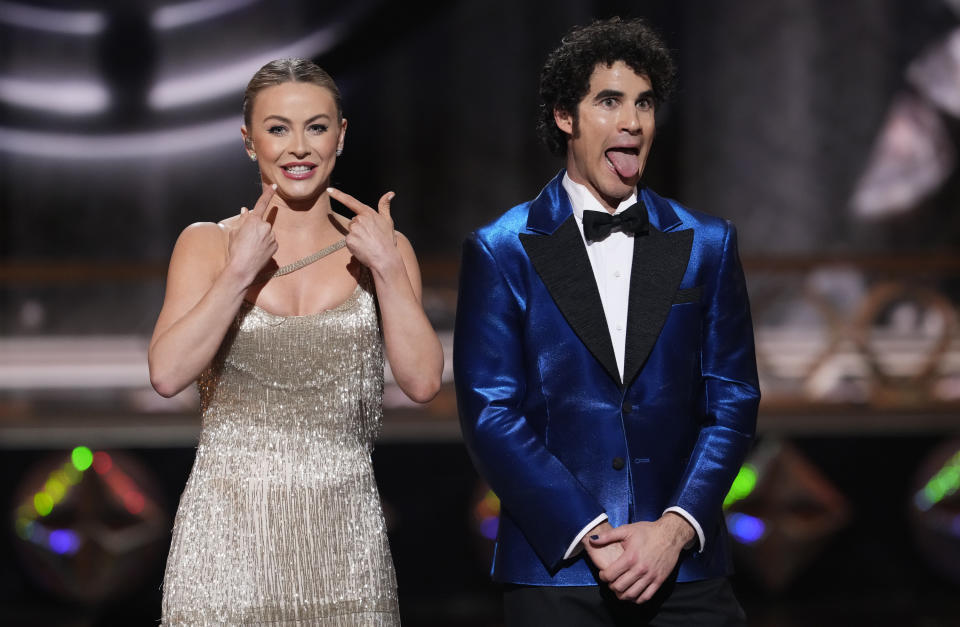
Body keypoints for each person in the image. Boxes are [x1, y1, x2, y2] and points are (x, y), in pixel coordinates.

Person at [454, 18, 760, 626]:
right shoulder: (502, 248)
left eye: (644, 103)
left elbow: (733, 400)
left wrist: (673, 531)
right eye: (610, 101)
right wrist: (589, 530)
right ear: (566, 116)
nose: (632, 121)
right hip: (557, 568)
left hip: (685, 571)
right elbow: (490, 412)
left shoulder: (706, 243)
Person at [148, 58, 443, 625]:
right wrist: (238, 274)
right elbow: (166, 374)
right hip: (224, 552)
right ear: (249, 141)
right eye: (278, 128)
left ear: (341, 135)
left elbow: (424, 380)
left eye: (316, 126)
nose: (299, 147)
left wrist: (386, 267)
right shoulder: (208, 244)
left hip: (345, 550)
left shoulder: (384, 248)